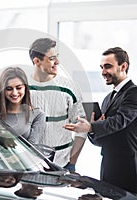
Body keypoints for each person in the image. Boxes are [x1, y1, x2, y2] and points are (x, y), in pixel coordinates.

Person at [63, 47, 137, 196]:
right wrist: (91, 129)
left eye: (108, 66)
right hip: (108, 171)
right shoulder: (108, 98)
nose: (103, 72)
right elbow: (101, 141)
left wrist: (91, 126)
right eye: (102, 67)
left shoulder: (134, 94)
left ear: (123, 66)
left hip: (129, 172)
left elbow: (119, 121)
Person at [28, 38, 87, 172]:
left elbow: (82, 128)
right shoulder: (22, 89)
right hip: (30, 166)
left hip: (63, 165)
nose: (58, 62)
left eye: (57, 57)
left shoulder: (69, 88)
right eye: (52, 58)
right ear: (37, 61)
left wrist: (72, 161)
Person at [0, 67, 46, 145]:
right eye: (9, 89)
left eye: (18, 88)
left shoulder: (37, 115)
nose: (14, 93)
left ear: (25, 88)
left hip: (24, 157)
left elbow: (32, 148)